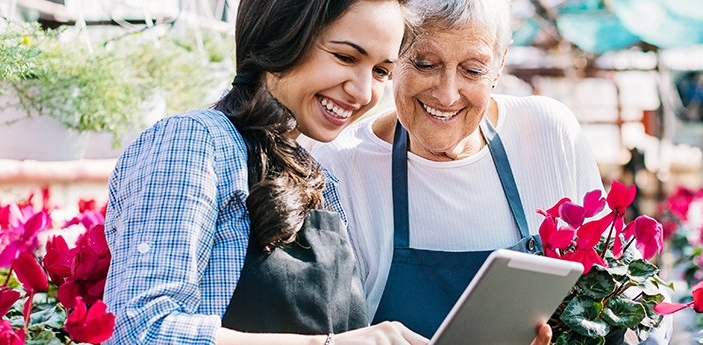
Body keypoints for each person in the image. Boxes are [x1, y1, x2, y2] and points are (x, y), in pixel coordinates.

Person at [102, 0, 428, 343]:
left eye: (381, 72)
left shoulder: (320, 179)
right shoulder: (197, 141)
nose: (363, 92)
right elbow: (137, 329)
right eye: (346, 57)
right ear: (281, 37)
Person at [312, 0, 632, 343]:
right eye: (425, 63)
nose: (447, 94)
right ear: (393, 55)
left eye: (473, 70)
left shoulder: (549, 134)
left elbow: (621, 292)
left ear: (500, 63)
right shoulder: (339, 169)